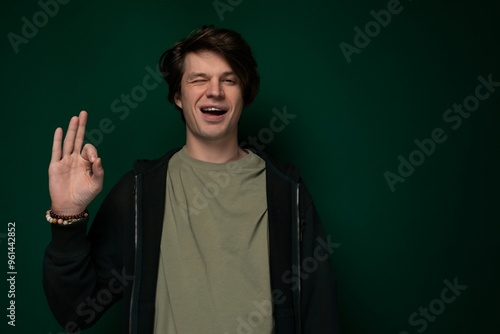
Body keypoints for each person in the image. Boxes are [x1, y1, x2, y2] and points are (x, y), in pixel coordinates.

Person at [43, 25, 340, 334]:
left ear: (245, 94)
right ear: (178, 97)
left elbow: (320, 316)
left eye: (229, 80)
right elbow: (75, 313)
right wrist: (68, 215)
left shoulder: (286, 192)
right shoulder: (139, 192)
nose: (215, 90)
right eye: (199, 79)